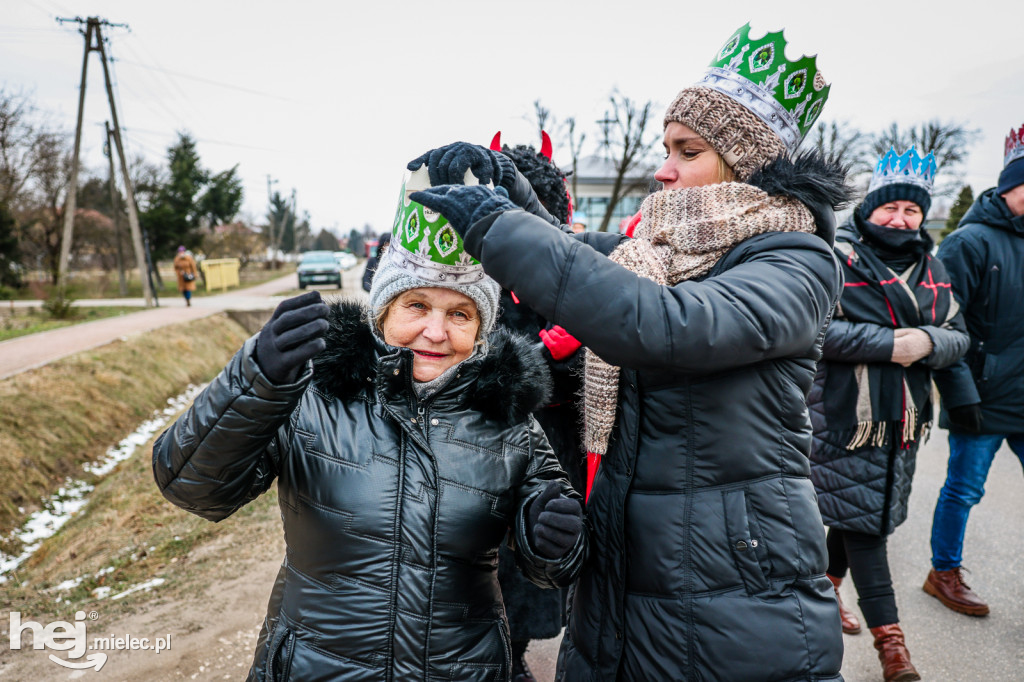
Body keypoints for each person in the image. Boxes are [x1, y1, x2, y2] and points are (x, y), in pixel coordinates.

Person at [408, 23, 849, 681]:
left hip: (733, 582)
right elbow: (586, 254)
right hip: (629, 561)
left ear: (746, 162)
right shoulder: (667, 251)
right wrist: (509, 190)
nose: (663, 168)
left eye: (686, 151)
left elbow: (668, 325)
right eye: (665, 148)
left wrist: (497, 229)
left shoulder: (795, 260)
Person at [152, 166, 587, 681]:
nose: (435, 331)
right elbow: (193, 488)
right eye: (417, 305)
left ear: (482, 326)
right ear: (383, 309)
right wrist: (254, 380)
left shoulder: (508, 416)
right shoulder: (313, 391)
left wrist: (552, 537)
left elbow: (554, 566)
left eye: (461, 314)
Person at [809, 147, 969, 682]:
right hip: (843, 415)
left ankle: (825, 592)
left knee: (857, 513)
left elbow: (959, 337)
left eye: (912, 211)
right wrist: (888, 345)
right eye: (890, 208)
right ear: (869, 209)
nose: (900, 220)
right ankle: (892, 647)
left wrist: (924, 340)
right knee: (866, 527)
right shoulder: (835, 257)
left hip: (902, 419)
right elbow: (813, 331)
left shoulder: (935, 268)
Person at [489, 134, 585, 682]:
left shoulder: (571, 270)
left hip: (557, 437)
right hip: (487, 435)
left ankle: (518, 649)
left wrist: (566, 356)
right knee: (488, 555)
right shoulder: (476, 273)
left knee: (542, 549)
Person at [925, 121, 1024, 617]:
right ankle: (943, 571)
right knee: (964, 488)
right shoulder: (969, 242)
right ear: (1008, 186)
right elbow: (946, 321)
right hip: (984, 393)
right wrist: (960, 392)